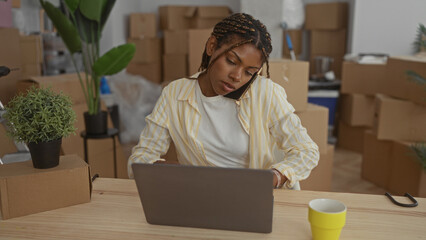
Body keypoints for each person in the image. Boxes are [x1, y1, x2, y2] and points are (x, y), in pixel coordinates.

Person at [128, 13, 319, 189]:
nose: (237, 77)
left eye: (249, 72)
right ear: (212, 46)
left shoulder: (266, 93)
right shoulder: (175, 94)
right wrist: (166, 170)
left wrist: (275, 177)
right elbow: (139, 158)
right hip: (199, 195)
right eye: (232, 61)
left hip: (253, 196)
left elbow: (306, 151)